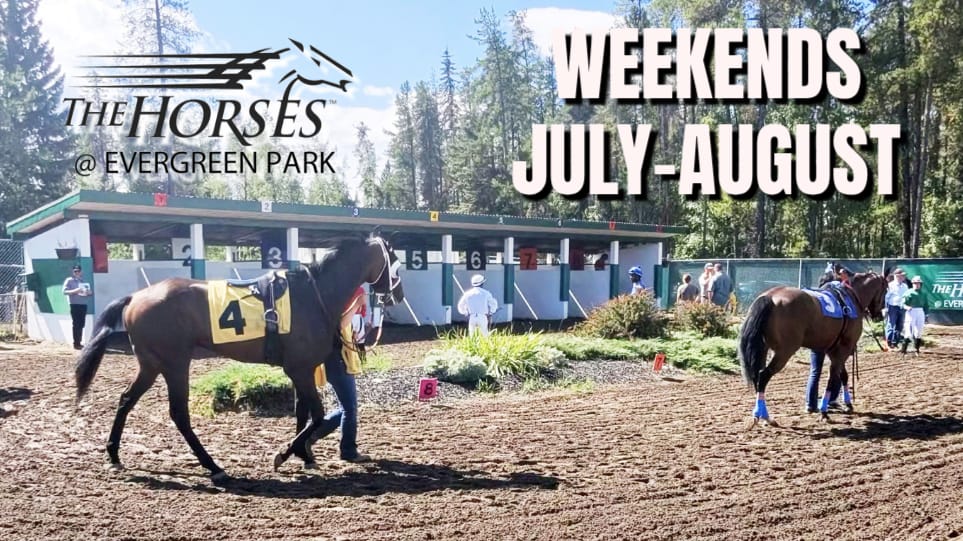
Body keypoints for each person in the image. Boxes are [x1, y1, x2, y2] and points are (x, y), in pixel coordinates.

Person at [312, 286, 367, 462]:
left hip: (335, 359)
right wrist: (357, 304)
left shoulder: (326, 297)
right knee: (349, 409)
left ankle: (309, 435)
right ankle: (348, 451)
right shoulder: (333, 300)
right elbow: (338, 325)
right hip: (337, 360)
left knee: (347, 408)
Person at [62, 264, 92, 350]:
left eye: (78, 271)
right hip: (74, 305)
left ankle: (79, 342)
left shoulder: (83, 281)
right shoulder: (69, 280)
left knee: (81, 324)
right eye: (75, 271)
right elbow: (64, 292)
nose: (77, 272)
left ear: (81, 272)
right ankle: (76, 343)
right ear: (73, 272)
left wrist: (89, 292)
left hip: (83, 305)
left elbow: (89, 293)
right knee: (76, 324)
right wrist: (76, 290)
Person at [901, 275, 928, 354]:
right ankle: (903, 350)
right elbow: (903, 304)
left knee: (919, 331)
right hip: (911, 311)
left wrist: (926, 315)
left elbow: (926, 305)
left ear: (920, 284)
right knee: (909, 331)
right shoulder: (908, 292)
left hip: (920, 312)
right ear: (912, 284)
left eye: (918, 283)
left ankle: (916, 349)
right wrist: (907, 307)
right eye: (915, 283)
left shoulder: (924, 293)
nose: (917, 285)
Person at [885, 268, 908, 350]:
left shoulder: (905, 286)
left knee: (900, 325)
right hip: (892, 307)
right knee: (891, 324)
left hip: (902, 307)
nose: (903, 277)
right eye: (902, 276)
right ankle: (889, 342)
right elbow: (886, 297)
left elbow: (906, 297)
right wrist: (886, 308)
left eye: (903, 276)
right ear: (897, 276)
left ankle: (895, 342)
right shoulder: (890, 285)